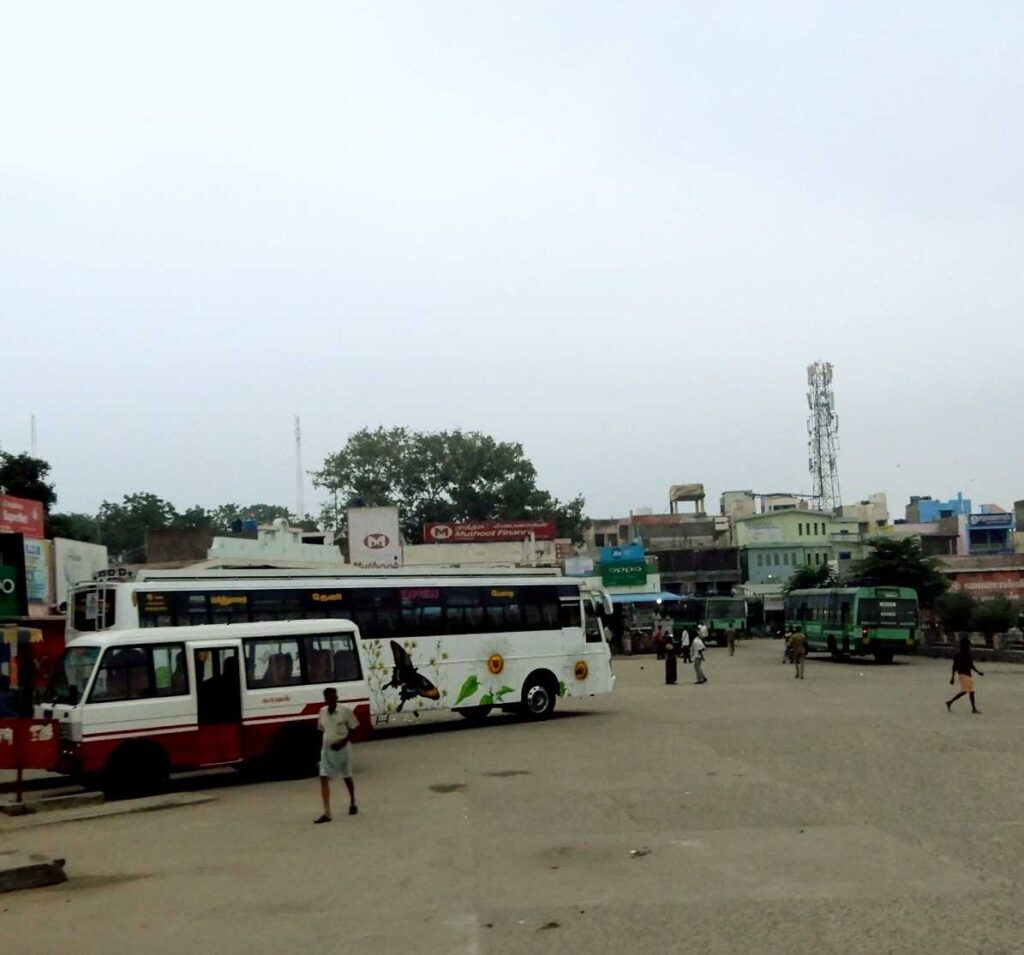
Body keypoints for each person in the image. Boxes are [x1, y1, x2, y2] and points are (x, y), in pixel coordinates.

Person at [314, 687, 360, 823]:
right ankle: (327, 812)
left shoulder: (345, 711)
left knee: (347, 776)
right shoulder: (322, 712)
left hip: (343, 750)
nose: (331, 700)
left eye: (333, 698)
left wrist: (343, 742)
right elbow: (321, 730)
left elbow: (354, 728)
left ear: (337, 698)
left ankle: (352, 801)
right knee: (323, 777)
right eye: (328, 698)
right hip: (327, 750)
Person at [946, 635, 984, 714]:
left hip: (966, 674)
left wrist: (978, 672)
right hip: (963, 674)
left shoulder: (966, 655)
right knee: (969, 691)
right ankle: (973, 709)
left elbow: (971, 665)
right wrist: (952, 677)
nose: (969, 646)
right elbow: (955, 667)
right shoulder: (960, 655)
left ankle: (950, 702)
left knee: (966, 691)